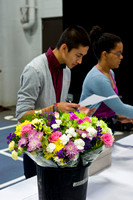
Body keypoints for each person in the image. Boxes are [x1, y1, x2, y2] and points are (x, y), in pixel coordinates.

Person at [16, 25, 95, 179]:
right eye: (78, 55)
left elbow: (59, 109)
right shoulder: (34, 70)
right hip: (36, 151)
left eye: (83, 56)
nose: (80, 61)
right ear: (64, 48)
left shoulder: (67, 71)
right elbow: (21, 115)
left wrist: (76, 113)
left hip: (56, 147)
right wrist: (53, 109)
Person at [80, 25, 133, 133]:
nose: (121, 57)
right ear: (104, 54)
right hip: (91, 128)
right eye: (118, 53)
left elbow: (108, 104)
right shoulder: (98, 78)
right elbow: (120, 107)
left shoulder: (110, 72)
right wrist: (119, 112)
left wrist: (116, 116)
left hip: (105, 124)